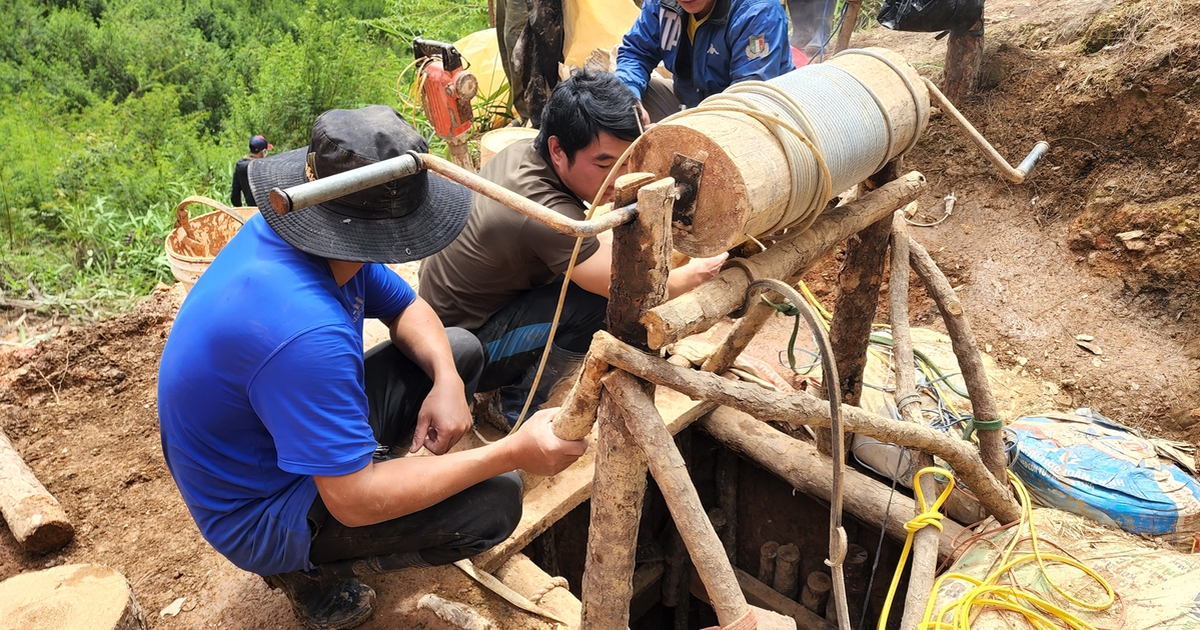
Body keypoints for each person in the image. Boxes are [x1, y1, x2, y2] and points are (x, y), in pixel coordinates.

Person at [158, 106, 587, 630]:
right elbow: (354, 501)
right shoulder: (306, 333)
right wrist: (510, 453)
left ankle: (378, 464)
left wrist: (449, 383)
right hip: (259, 510)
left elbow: (407, 307)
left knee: (457, 351)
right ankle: (307, 569)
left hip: (270, 443)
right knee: (495, 502)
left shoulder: (313, 243)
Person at [418, 70, 727, 428]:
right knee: (600, 304)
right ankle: (515, 405)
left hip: (442, 323)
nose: (621, 176)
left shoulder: (523, 153)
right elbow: (630, 290)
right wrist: (696, 273)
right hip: (459, 354)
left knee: (587, 278)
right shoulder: (548, 215)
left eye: (628, 159)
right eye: (604, 163)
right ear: (557, 149)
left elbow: (592, 246)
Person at [615, 0, 796, 123]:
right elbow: (636, 53)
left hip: (751, 117)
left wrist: (683, 132)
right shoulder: (661, 4)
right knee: (622, 99)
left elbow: (749, 93)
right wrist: (631, 97)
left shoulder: (757, 11)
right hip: (688, 104)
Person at [230, 135, 272, 208]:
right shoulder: (263, 167)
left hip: (252, 211)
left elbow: (235, 197)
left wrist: (241, 210)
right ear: (264, 152)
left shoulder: (240, 166)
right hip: (268, 211)